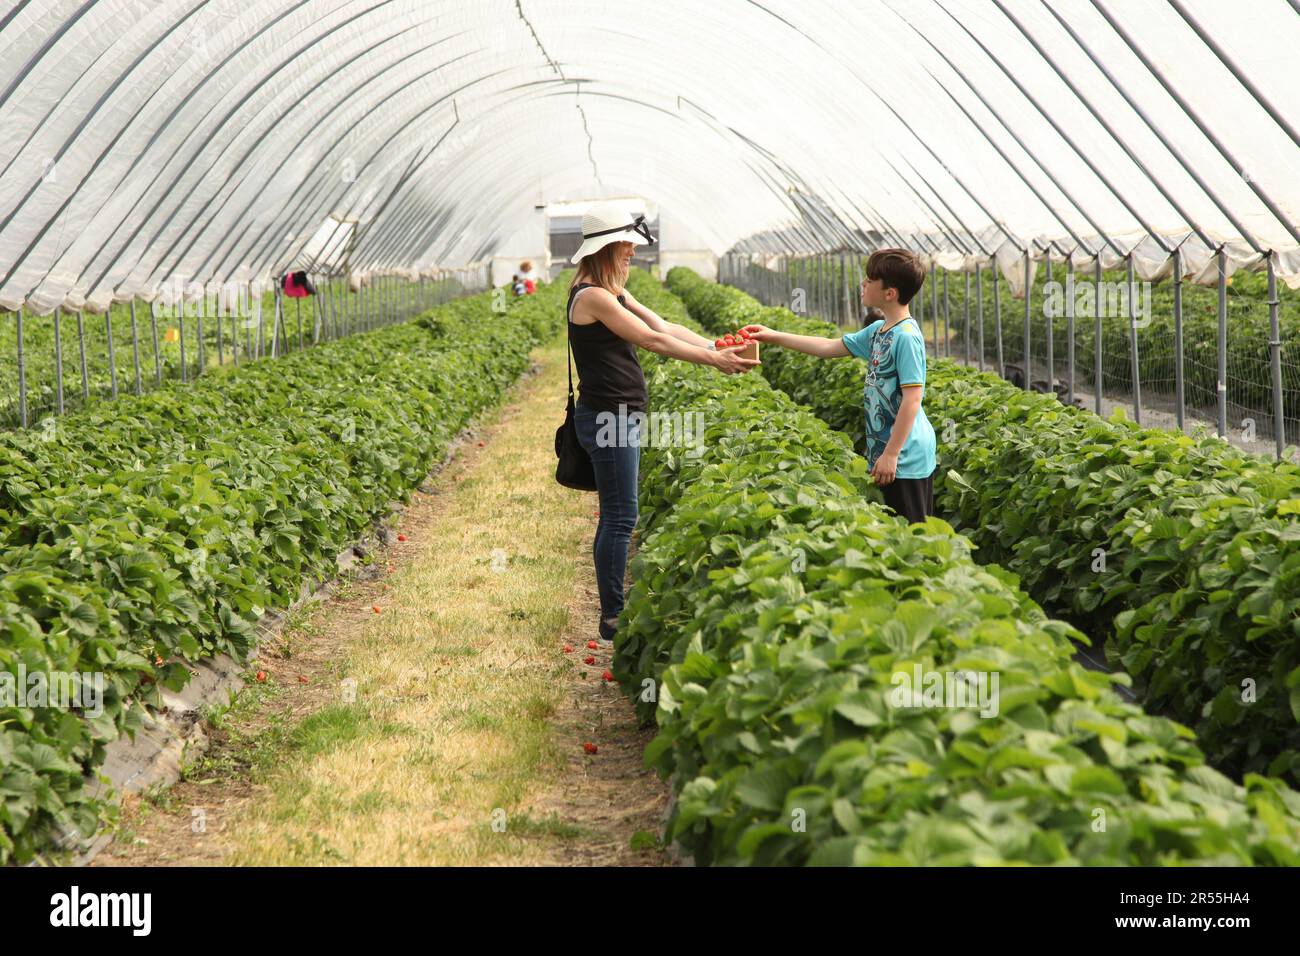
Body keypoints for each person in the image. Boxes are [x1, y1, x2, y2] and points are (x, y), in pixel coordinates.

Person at [567, 201, 758, 644]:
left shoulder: (609, 290)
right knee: (620, 517)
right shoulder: (594, 296)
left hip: (617, 416)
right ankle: (613, 615)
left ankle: (612, 608)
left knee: (616, 514)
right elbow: (651, 340)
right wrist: (713, 360)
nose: (633, 253)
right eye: (627, 246)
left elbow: (664, 324)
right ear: (608, 247)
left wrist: (715, 344)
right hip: (609, 418)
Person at [743, 248, 937, 523]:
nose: (863, 284)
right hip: (888, 451)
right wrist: (773, 336)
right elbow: (827, 347)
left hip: (906, 455)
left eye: (870, 280)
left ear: (889, 293)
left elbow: (912, 400)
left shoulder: (906, 337)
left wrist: (891, 454)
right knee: (894, 527)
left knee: (913, 533)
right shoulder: (879, 330)